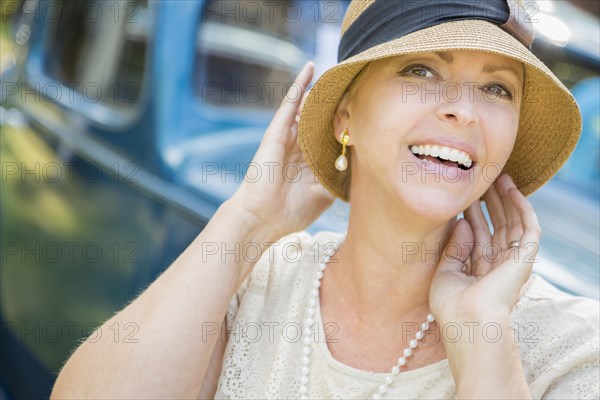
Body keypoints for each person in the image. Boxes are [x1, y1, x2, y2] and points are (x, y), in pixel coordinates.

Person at [51, 0, 599, 399]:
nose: (465, 110)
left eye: (497, 87)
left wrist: (481, 331)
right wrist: (245, 222)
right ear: (345, 116)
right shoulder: (255, 286)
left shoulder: (569, 345)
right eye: (421, 70)